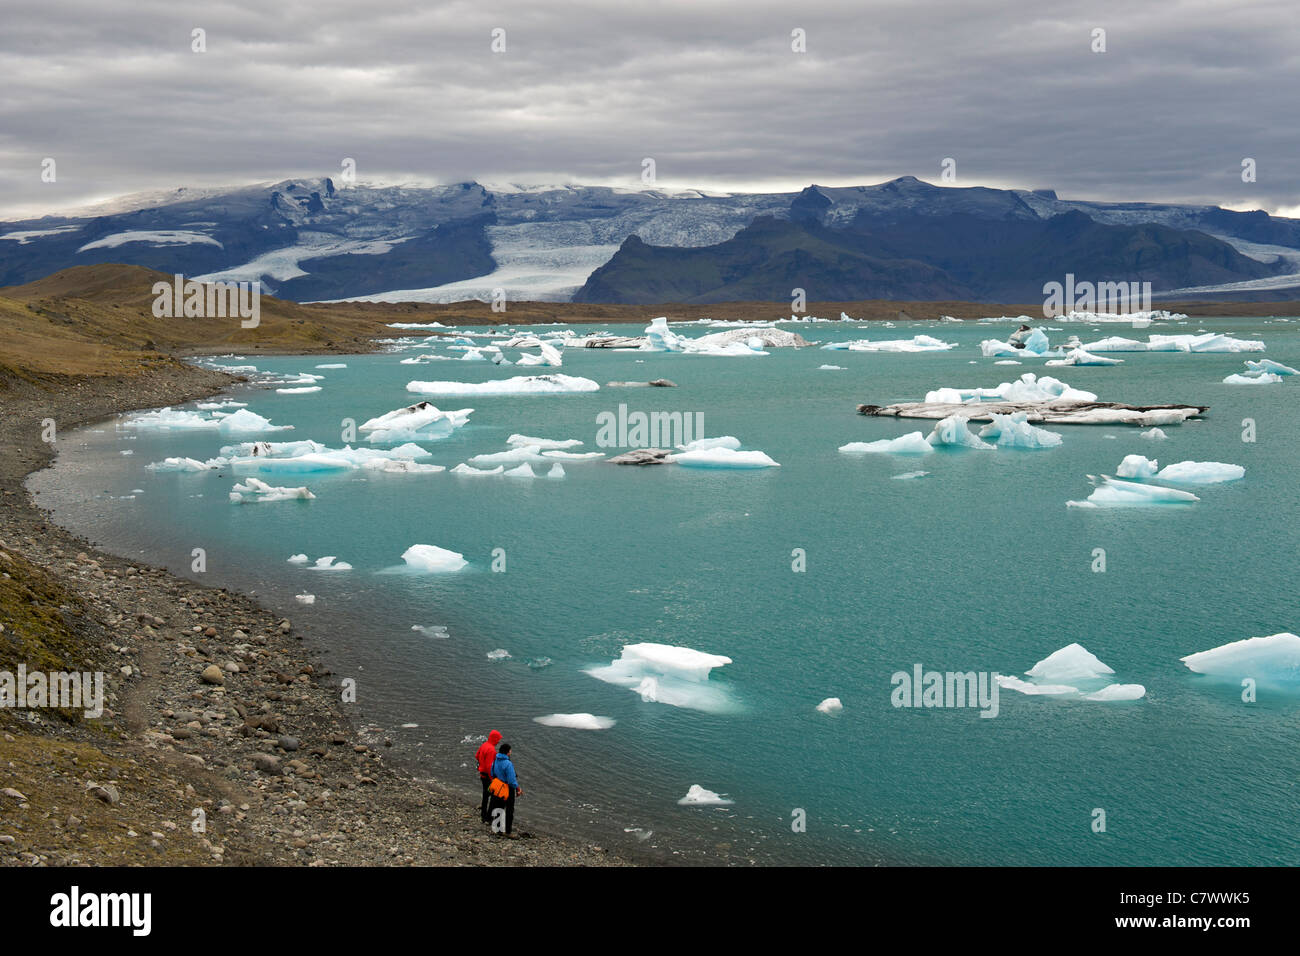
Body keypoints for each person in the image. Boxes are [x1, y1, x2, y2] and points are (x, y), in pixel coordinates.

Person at [487, 742, 522, 837]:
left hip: (497, 788)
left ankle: (497, 829)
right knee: (509, 810)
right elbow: (511, 780)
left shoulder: (495, 761)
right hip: (507, 789)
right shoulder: (508, 764)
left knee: (498, 808)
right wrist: (518, 788)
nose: (511, 752)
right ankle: (508, 831)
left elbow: (492, 773)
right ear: (507, 752)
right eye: (510, 751)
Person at [476, 730, 502, 823]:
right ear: (495, 739)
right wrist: (493, 779)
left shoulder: (484, 745)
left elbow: (477, 755)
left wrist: (480, 765)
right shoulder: (491, 750)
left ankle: (483, 815)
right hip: (487, 776)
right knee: (494, 796)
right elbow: (489, 766)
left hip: (482, 775)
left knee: (485, 796)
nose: (499, 741)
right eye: (498, 739)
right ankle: (488, 818)